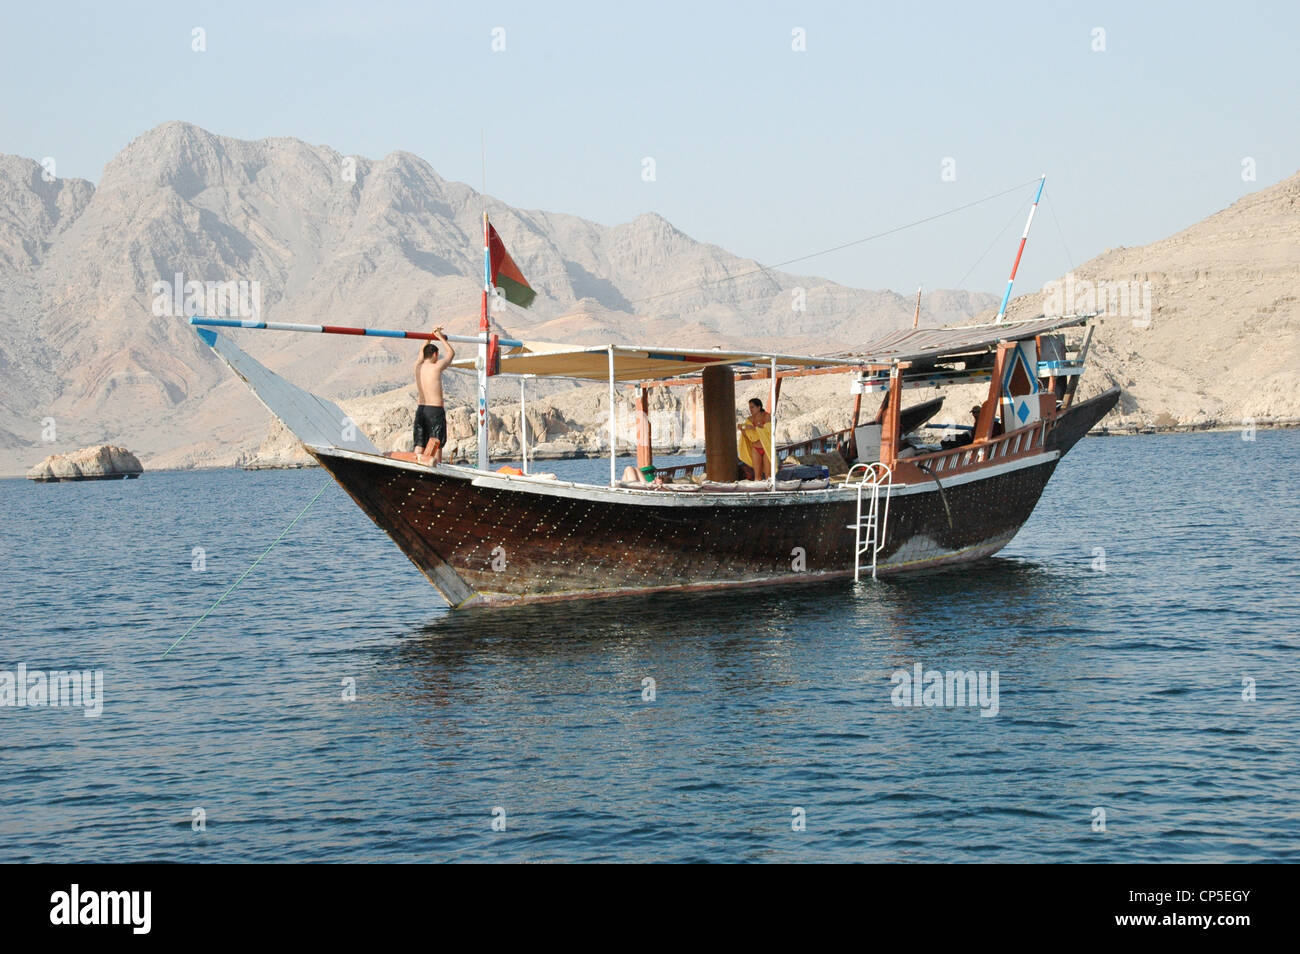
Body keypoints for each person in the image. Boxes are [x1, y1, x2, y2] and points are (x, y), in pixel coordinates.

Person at [413, 326, 454, 465]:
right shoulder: (436, 367)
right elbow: (451, 353)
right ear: (435, 354)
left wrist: (429, 336)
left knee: (419, 442)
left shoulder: (418, 366)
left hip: (421, 409)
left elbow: (421, 353)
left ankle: (414, 466)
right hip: (435, 410)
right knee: (437, 442)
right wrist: (441, 337)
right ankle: (438, 466)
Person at [737, 398, 773, 480]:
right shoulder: (749, 420)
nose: (750, 409)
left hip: (766, 447)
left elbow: (768, 431)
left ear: (759, 407)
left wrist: (752, 428)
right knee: (757, 476)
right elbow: (748, 437)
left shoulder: (766, 416)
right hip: (756, 448)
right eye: (749, 407)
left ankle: (769, 491)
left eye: (752, 407)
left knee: (768, 476)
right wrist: (743, 430)